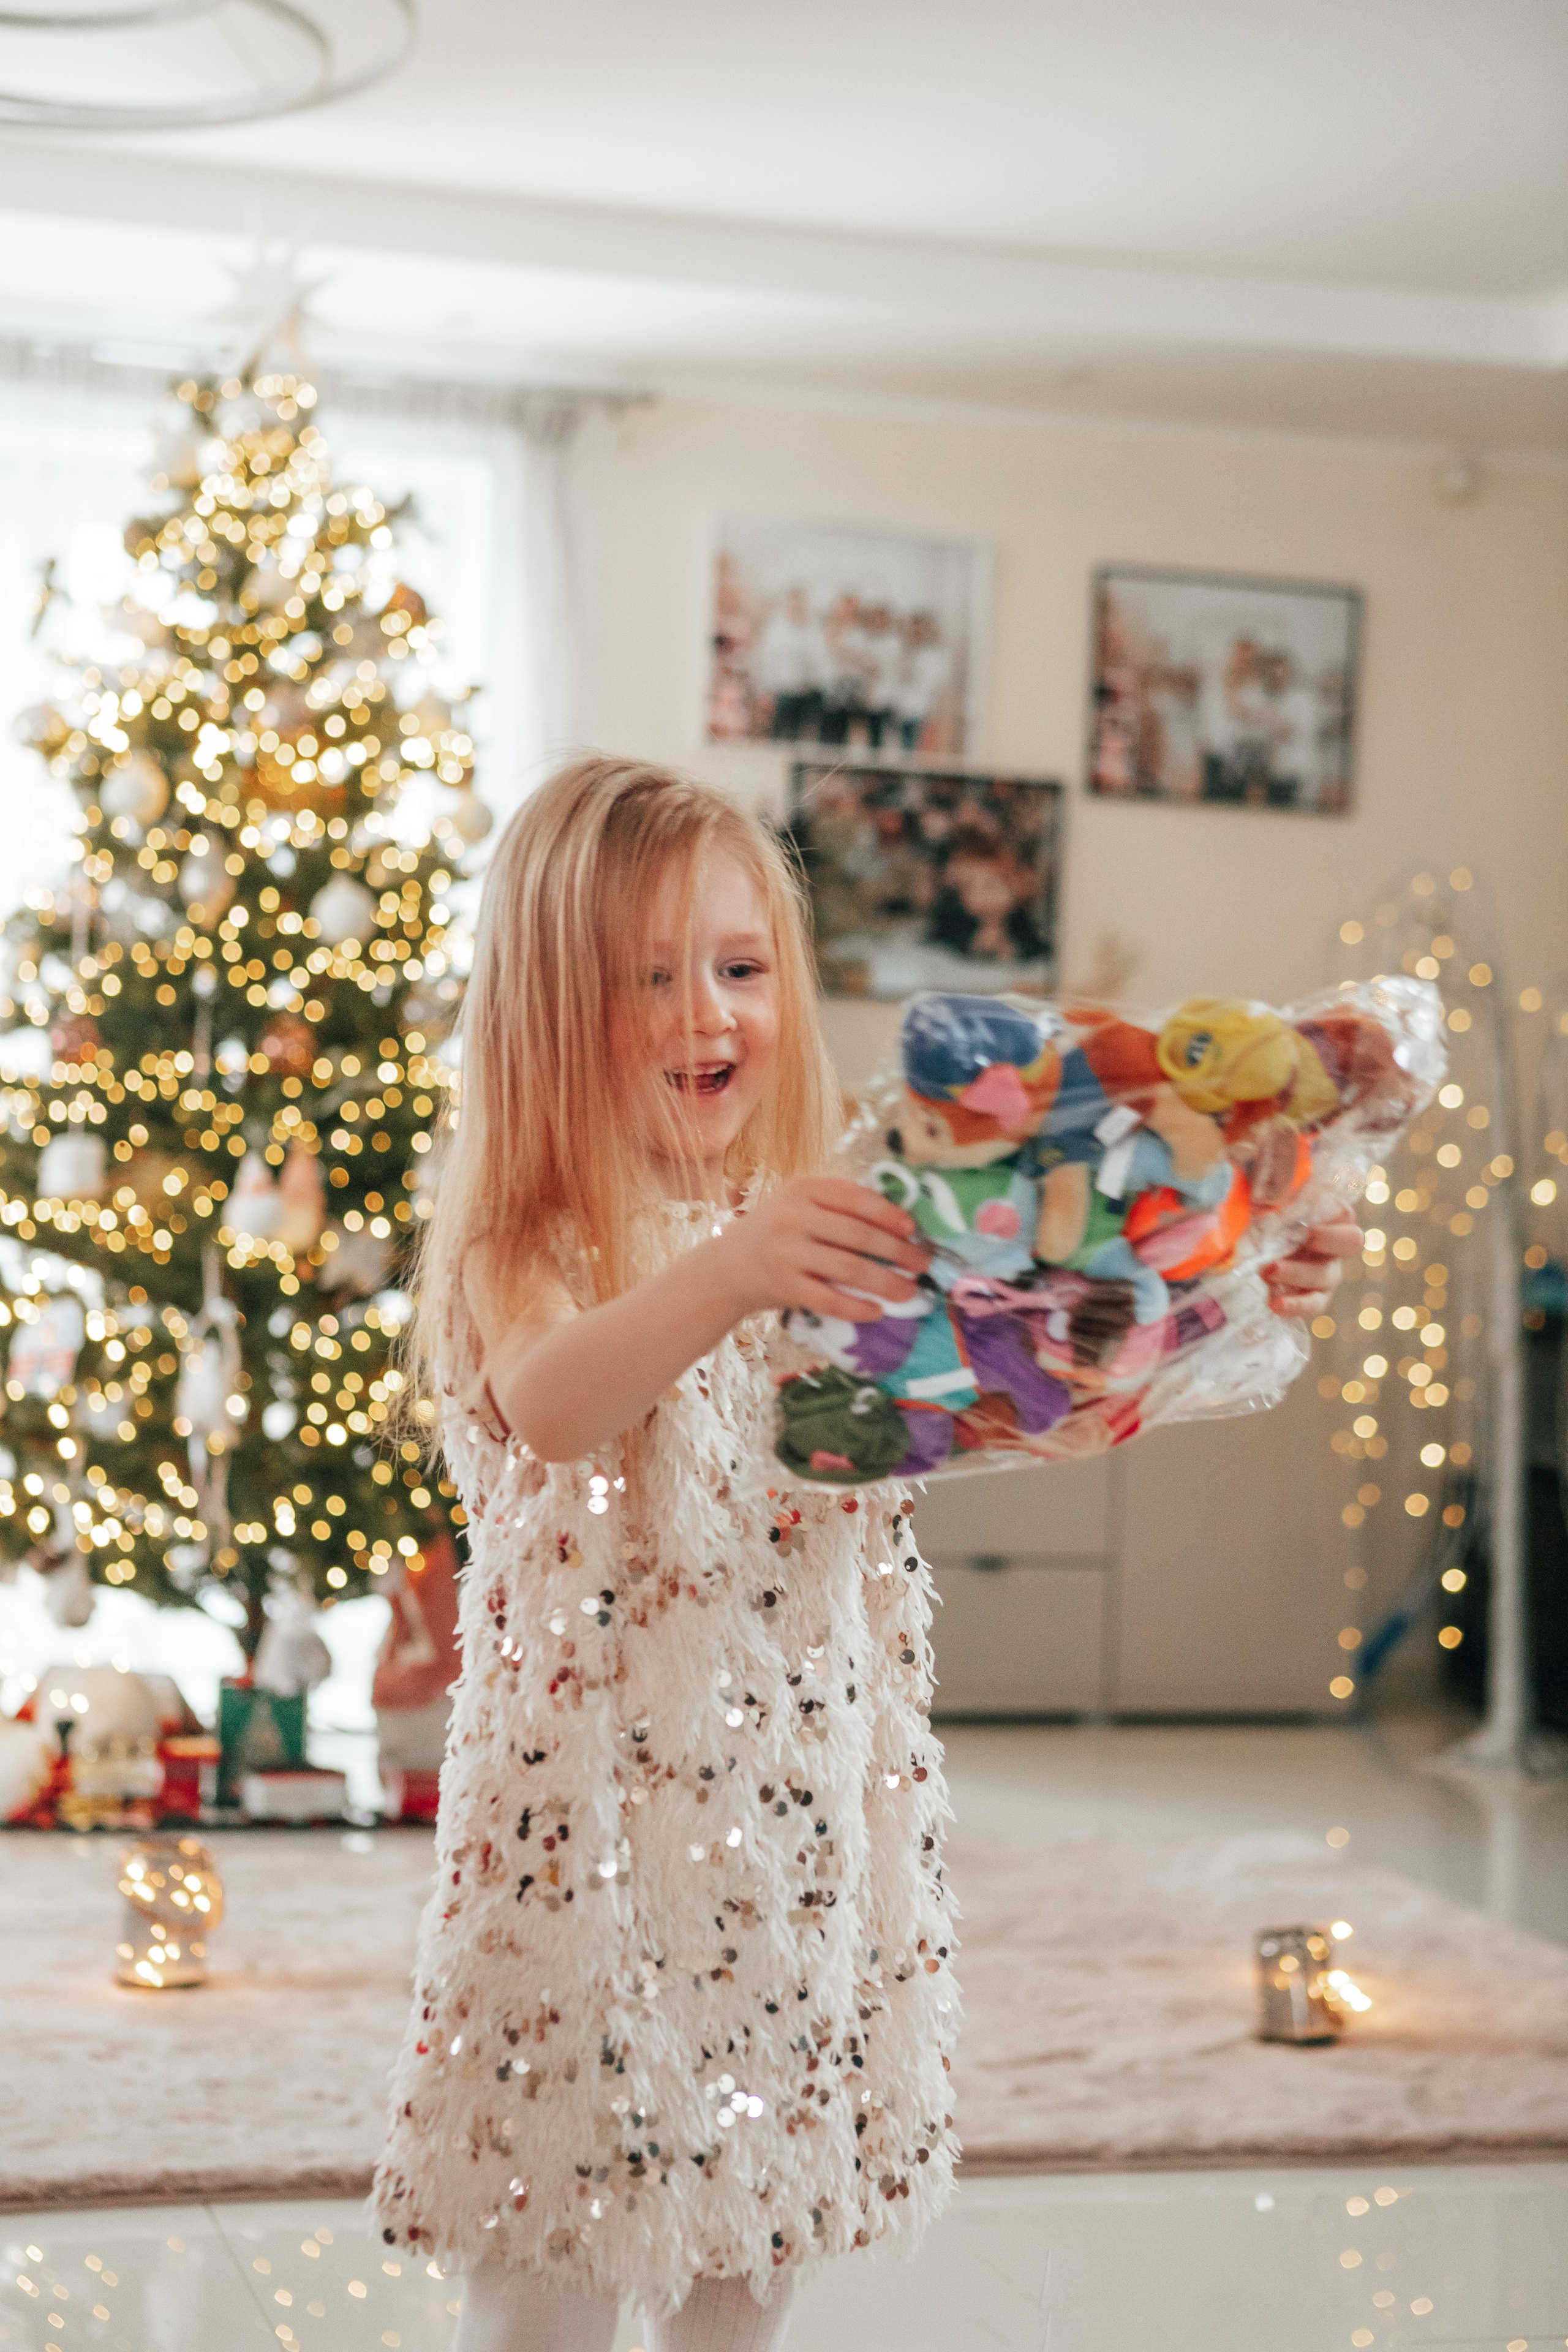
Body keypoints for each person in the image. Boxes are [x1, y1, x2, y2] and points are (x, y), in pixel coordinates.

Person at [372, 758, 1359, 2350]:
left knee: (758, 2216)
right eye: (649, 978)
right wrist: (739, 1266)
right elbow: (555, 1405)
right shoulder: (533, 1233)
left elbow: (1021, 1394)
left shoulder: (831, 1222)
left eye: (742, 967)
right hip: (586, 1847)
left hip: (798, 1826)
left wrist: (1236, 1279)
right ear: (553, 1012)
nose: (710, 1013)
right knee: (550, 2216)